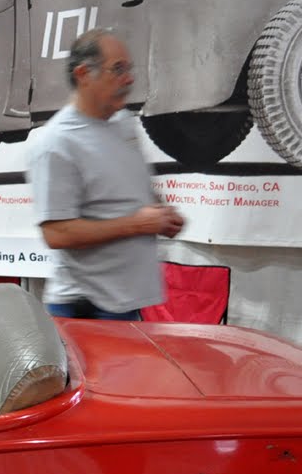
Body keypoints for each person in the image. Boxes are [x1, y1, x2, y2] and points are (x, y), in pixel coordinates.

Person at [27, 28, 185, 320]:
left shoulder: (123, 124)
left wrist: (160, 213)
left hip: (124, 305)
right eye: (118, 69)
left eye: (129, 69)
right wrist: (137, 224)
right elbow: (56, 233)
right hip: (86, 309)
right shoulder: (56, 142)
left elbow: (130, 190)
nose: (129, 78)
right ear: (84, 74)